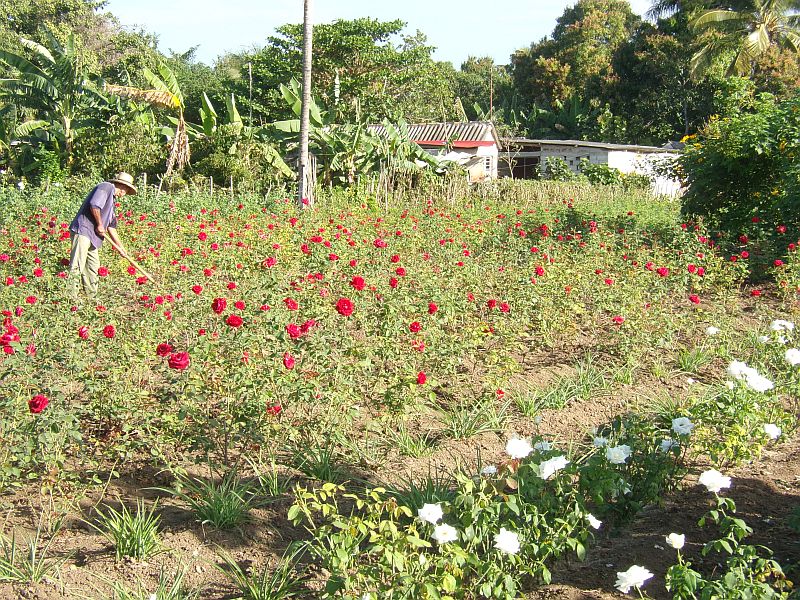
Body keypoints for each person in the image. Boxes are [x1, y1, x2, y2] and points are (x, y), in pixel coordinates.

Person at [67, 172, 136, 303]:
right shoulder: (106, 187)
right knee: (77, 264)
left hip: (94, 237)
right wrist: (99, 224)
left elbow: (111, 227)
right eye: (126, 190)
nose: (125, 193)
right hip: (83, 231)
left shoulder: (112, 201)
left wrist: (120, 247)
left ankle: (92, 299)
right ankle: (71, 299)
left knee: (93, 267)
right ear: (121, 186)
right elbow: (94, 205)